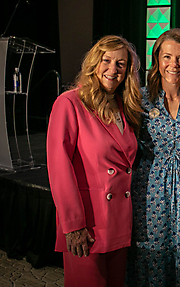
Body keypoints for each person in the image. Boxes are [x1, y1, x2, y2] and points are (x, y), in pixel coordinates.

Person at [46, 35, 142, 287]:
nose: (113, 69)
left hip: (119, 220)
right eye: (106, 60)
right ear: (93, 63)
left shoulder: (125, 105)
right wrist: (73, 225)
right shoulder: (69, 103)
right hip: (88, 223)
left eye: (121, 64)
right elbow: (59, 167)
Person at [127, 28, 180, 286]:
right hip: (150, 188)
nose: (173, 64)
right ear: (157, 59)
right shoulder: (140, 98)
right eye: (167, 57)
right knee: (151, 248)